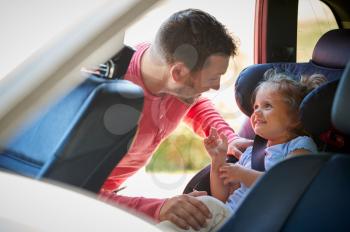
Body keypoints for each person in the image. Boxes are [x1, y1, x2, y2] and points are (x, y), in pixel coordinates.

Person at [99, 8, 253, 230]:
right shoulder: (106, 103)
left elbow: (193, 102)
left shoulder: (174, 82)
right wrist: (159, 208)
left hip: (113, 197)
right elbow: (69, 192)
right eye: (212, 78)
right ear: (178, 73)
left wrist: (228, 137)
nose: (217, 86)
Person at [156, 69, 327, 231]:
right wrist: (218, 162)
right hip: (228, 217)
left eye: (267, 106)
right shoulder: (250, 153)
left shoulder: (300, 145)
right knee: (194, 207)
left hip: (256, 223)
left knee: (202, 208)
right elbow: (221, 197)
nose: (257, 113)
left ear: (296, 118)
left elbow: (286, 186)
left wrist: (242, 174)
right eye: (256, 107)